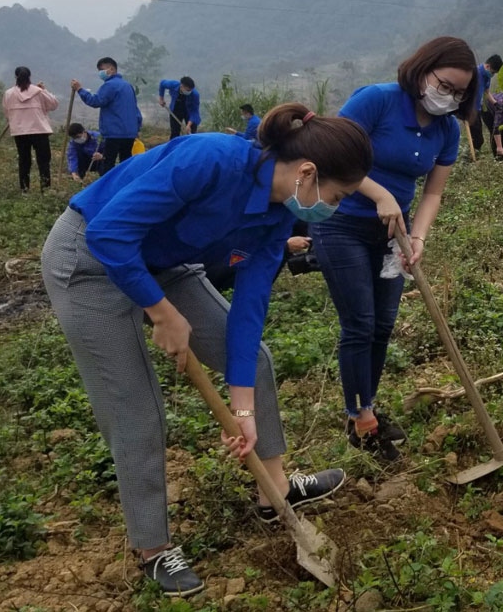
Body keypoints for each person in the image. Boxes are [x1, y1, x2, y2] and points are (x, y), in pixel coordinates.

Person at [41, 103, 372, 598]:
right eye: (339, 195)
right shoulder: (211, 158)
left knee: (254, 362)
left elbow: (249, 308)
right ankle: (153, 549)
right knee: (138, 410)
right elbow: (109, 232)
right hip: (90, 257)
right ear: (308, 172)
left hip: (164, 259)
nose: (336, 207)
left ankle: (273, 491)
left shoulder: (277, 217)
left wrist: (243, 410)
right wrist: (162, 312)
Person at [310, 36, 472, 461]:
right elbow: (328, 150)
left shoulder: (447, 129)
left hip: (392, 236)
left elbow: (433, 193)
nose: (450, 97)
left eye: (459, 93)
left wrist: (417, 236)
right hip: (341, 224)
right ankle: (359, 417)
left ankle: (367, 404)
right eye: (445, 85)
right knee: (360, 322)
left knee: (383, 325)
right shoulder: (377, 101)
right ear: (423, 70)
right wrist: (378, 192)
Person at [71, 58, 141, 173]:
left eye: (102, 70)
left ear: (112, 69)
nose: (101, 73)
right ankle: (124, 186)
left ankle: (107, 188)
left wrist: (80, 89)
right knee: (126, 163)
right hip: (129, 133)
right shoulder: (128, 86)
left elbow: (96, 101)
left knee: (108, 165)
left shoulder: (110, 85)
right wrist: (137, 127)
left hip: (114, 133)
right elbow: (135, 110)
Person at [1, 66, 58, 192]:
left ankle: (24, 190)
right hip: (40, 131)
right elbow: (53, 104)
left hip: (20, 132)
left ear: (16, 77)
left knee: (24, 161)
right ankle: (46, 190)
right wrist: (44, 90)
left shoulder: (9, 94)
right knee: (43, 162)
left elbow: (7, 113)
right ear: (29, 77)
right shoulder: (38, 91)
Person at [470, 54, 503, 158]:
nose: (492, 74)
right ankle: (471, 157)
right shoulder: (474, 73)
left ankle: (474, 155)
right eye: (492, 72)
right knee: (478, 138)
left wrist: (495, 103)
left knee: (477, 136)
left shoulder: (486, 77)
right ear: (487, 66)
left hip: (477, 108)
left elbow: (487, 92)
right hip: (469, 109)